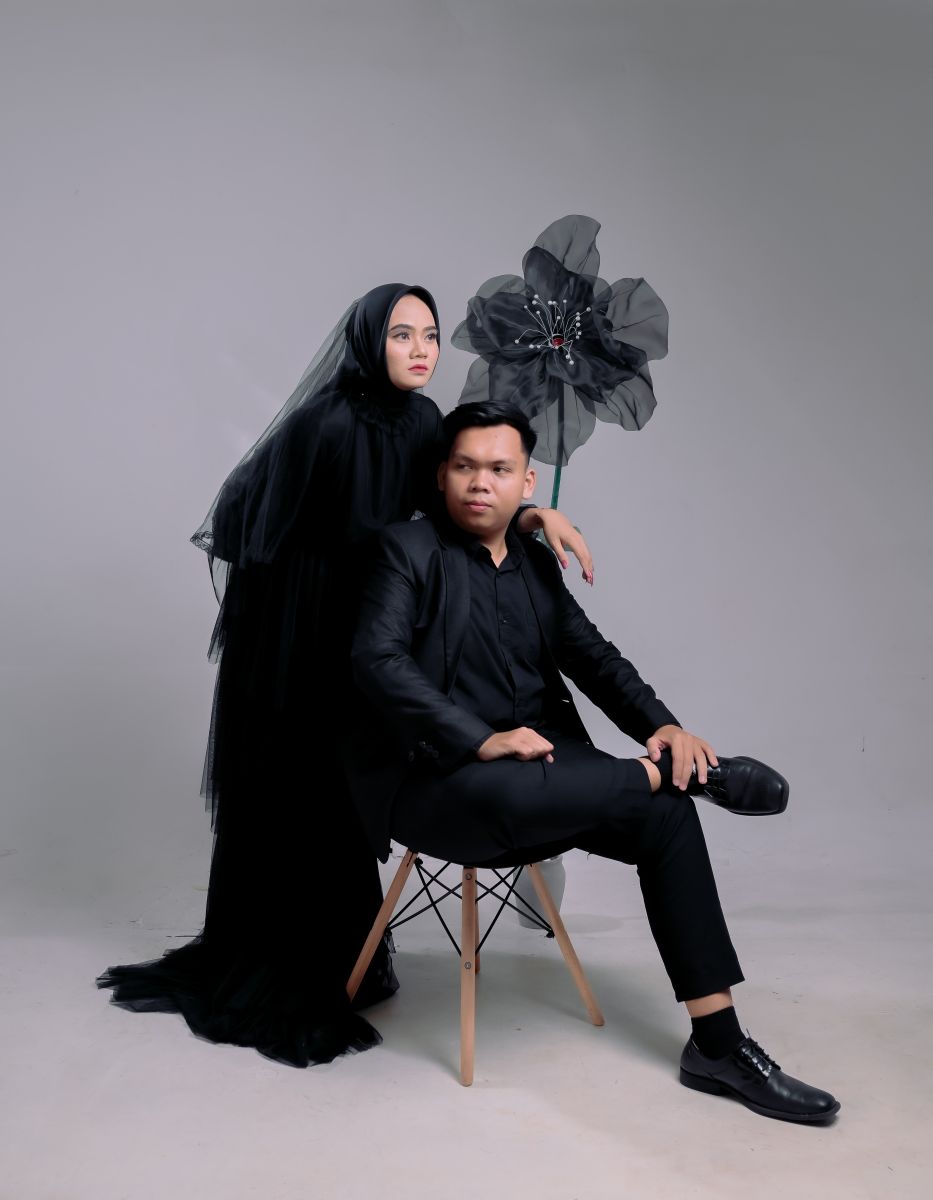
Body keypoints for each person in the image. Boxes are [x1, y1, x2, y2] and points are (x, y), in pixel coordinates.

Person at [97, 286, 593, 1067]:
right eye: (401, 335)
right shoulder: (320, 423)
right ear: (369, 341)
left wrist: (531, 515)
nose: (420, 350)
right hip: (304, 646)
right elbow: (242, 521)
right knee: (301, 796)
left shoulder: (425, 422)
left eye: (429, 335)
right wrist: (315, 585)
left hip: (375, 638)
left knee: (345, 800)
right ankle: (288, 968)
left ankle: (344, 961)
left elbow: (460, 500)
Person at [345, 399, 840, 1123]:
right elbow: (377, 660)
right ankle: (679, 777)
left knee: (666, 817)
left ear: (527, 481)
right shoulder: (405, 550)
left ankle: (717, 1045)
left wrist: (665, 728)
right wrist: (480, 738)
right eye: (464, 467)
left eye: (499, 469)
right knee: (525, 790)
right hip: (440, 783)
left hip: (555, 778)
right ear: (441, 474)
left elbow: (594, 659)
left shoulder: (534, 562)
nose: (480, 483)